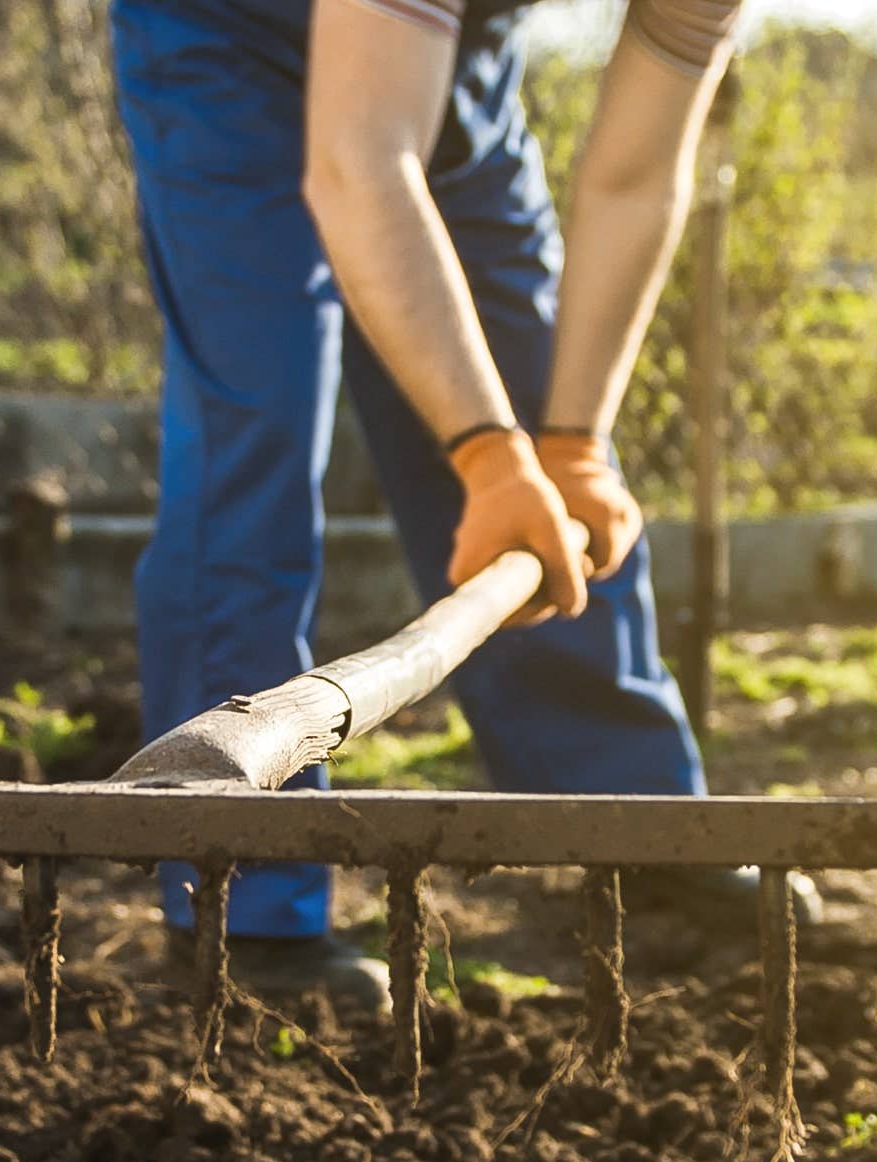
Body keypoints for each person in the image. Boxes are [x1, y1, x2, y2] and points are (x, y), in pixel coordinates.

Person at [112, 0, 817, 1018]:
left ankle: (634, 820)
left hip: (444, 54)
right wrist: (488, 458)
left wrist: (565, 443)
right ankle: (244, 899)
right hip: (225, 34)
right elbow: (358, 162)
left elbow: (630, 177)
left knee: (539, 414)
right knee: (255, 423)